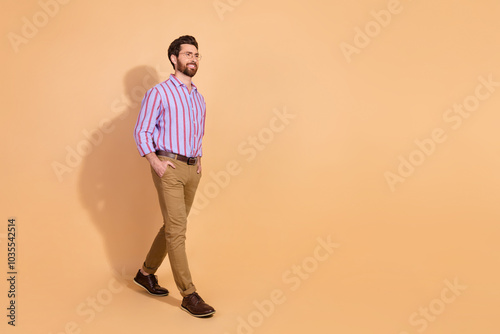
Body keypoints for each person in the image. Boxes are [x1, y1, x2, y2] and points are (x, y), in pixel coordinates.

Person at [132, 35, 215, 317]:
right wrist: (155, 163)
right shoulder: (160, 92)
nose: (193, 58)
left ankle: (145, 273)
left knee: (172, 226)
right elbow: (142, 131)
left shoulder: (199, 97)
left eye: (196, 55)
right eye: (188, 54)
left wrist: (199, 159)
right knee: (177, 230)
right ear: (174, 58)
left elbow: (197, 132)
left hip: (193, 168)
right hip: (168, 165)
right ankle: (189, 294)